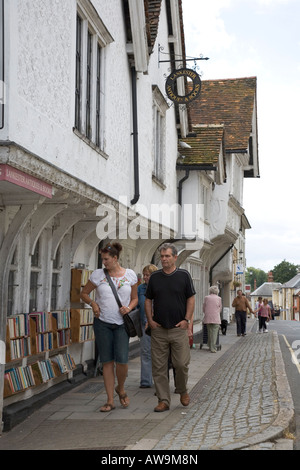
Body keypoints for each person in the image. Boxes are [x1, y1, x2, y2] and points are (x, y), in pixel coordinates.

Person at [80, 242, 138, 412]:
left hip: (121, 324)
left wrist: (129, 307)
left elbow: (134, 298)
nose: (103, 262)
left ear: (115, 258)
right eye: (102, 259)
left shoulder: (130, 275)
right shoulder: (98, 275)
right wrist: (93, 304)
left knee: (122, 361)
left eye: (106, 259)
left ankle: (120, 388)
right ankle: (110, 400)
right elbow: (84, 293)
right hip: (103, 323)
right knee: (107, 361)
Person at [145, 243, 195, 412]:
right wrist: (150, 320)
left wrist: (187, 320)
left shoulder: (184, 275)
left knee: (181, 364)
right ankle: (163, 400)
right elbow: (148, 299)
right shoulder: (155, 277)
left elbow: (191, 298)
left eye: (167, 256)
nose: (164, 259)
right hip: (158, 329)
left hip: (178, 328)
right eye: (162, 256)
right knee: (159, 367)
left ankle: (182, 390)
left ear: (175, 257)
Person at [138, 264, 158, 388]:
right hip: (143, 325)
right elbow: (137, 304)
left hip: (157, 324)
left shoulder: (159, 288)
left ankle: (159, 380)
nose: (145, 277)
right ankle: (145, 381)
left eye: (147, 275)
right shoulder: (140, 288)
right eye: (144, 275)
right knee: (145, 351)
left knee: (158, 353)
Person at [203, 286, 222, 353]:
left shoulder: (206, 298)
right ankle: (213, 348)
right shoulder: (219, 298)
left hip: (208, 316)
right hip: (216, 317)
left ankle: (209, 345)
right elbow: (220, 308)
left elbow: (204, 307)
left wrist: (206, 313)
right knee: (214, 333)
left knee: (209, 332)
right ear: (217, 291)